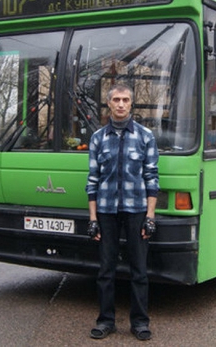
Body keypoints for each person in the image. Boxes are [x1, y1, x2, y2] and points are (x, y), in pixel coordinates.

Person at [85, 83, 159, 341]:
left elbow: (151, 177)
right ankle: (106, 321)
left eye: (125, 99)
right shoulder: (97, 138)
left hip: (136, 210)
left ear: (131, 104)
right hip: (105, 211)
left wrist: (150, 216)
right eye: (116, 99)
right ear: (109, 104)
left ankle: (140, 322)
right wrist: (93, 218)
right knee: (106, 270)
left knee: (139, 269)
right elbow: (92, 180)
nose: (120, 104)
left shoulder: (145, 136)